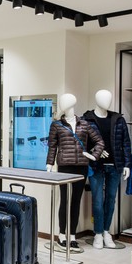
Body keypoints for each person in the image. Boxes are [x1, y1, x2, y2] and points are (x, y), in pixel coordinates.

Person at [46, 93, 104, 252]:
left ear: (72, 103)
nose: (62, 104)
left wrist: (94, 155)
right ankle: (61, 235)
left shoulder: (85, 124)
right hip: (64, 167)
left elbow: (99, 141)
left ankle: (72, 235)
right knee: (64, 200)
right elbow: (52, 146)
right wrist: (49, 164)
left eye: (65, 101)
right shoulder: (56, 125)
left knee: (76, 201)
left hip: (81, 167)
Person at [83, 90, 132, 249]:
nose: (107, 101)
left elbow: (126, 143)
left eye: (109, 98)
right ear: (96, 99)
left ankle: (106, 232)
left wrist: (127, 164)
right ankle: (98, 233)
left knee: (111, 199)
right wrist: (93, 150)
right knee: (97, 201)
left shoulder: (118, 119)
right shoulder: (86, 119)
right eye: (104, 98)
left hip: (115, 165)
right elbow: (81, 143)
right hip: (96, 166)